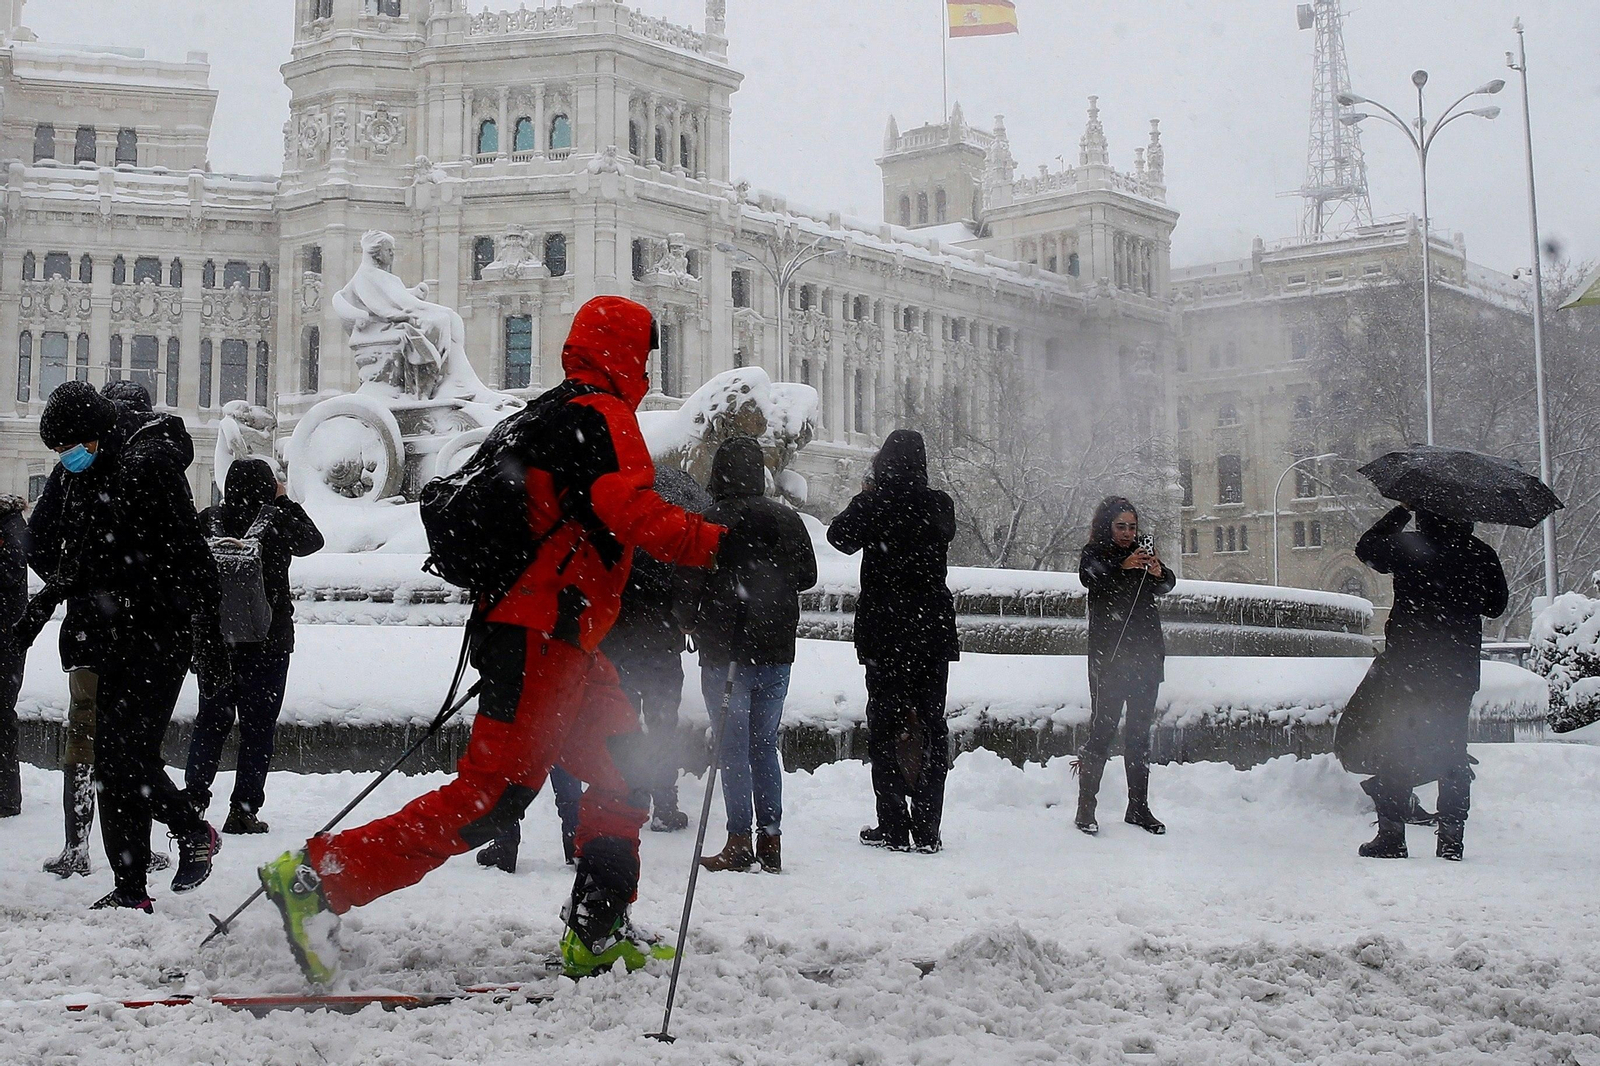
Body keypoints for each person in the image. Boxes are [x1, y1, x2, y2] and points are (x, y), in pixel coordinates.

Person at [258, 296, 726, 984]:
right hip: (545, 635)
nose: (649, 368)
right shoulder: (604, 417)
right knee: (491, 796)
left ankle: (599, 926)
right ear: (628, 352)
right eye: (646, 354)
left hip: (547, 632)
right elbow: (633, 514)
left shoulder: (538, 416)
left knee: (626, 768)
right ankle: (317, 879)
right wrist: (720, 545)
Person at [13, 381, 229, 911]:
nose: (66, 460)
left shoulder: (150, 464)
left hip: (159, 634)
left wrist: (207, 641)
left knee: (126, 755)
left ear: (94, 430)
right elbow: (58, 548)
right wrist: (73, 590)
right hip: (112, 630)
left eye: (69, 448)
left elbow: (193, 559)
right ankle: (131, 888)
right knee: (113, 761)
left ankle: (188, 828)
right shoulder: (90, 469)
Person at [474, 469, 709, 874]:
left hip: (606, 644)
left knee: (597, 733)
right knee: (656, 725)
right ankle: (653, 804)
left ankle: (515, 832)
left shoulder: (607, 528)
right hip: (656, 646)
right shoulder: (665, 534)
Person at [1336, 506, 1507, 861]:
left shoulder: (1409, 546)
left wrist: (1399, 512)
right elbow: (1496, 605)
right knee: (1452, 751)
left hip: (1408, 669)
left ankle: (1392, 836)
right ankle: (1451, 840)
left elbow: (1367, 549)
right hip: (1455, 672)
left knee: (1397, 747)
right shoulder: (1480, 553)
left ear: (1425, 514)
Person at [679, 437, 817, 874]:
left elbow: (687, 586)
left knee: (732, 749)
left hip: (726, 653)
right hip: (776, 651)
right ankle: (771, 840)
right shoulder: (786, 518)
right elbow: (808, 576)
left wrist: (692, 619)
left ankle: (739, 839)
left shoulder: (708, 521)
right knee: (763, 747)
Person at [827, 430, 959, 853]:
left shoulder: (873, 503)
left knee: (884, 727)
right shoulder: (939, 504)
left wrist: (868, 495)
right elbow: (944, 533)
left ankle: (893, 824)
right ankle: (927, 826)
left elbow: (839, 538)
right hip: (931, 632)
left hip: (886, 632)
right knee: (931, 725)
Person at [184, 459, 324, 834]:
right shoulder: (277, 522)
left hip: (215, 641)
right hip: (269, 640)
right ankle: (243, 810)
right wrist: (284, 501)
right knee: (258, 728)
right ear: (268, 487)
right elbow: (314, 540)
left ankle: (194, 799)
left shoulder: (207, 520)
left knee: (211, 721)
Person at [1076, 496, 1177, 837]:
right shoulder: (1096, 553)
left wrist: (1157, 571)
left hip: (1146, 656)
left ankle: (1138, 806)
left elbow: (1166, 585)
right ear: (1108, 525)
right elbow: (1091, 578)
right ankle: (1086, 806)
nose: (1127, 533)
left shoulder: (1143, 555)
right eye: (1121, 526)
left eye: (1132, 527)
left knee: (1138, 734)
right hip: (1110, 656)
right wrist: (1124, 566)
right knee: (1102, 731)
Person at [0, 494, 27, 818]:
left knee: (2, 715)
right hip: (7, 636)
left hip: (6, 638)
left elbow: (9, 572)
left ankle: (7, 796)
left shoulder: (12, 527)